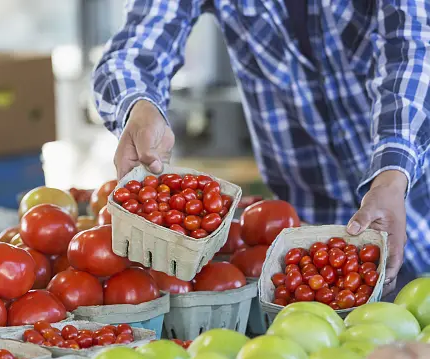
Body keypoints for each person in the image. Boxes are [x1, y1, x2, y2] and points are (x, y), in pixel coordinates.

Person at [93, 1, 430, 292]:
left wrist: (391, 178)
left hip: (417, 196)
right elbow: (139, 41)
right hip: (311, 234)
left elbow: (414, 49)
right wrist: (139, 106)